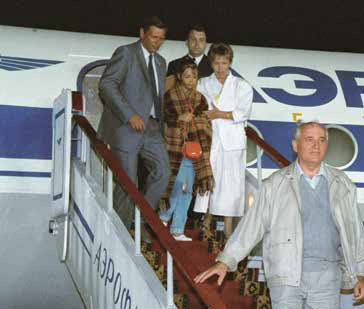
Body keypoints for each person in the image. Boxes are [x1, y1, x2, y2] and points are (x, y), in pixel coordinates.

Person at [194, 122, 364, 309]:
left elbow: (354, 231)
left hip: (327, 276)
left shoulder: (342, 184)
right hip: (286, 274)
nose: (315, 145)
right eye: (309, 139)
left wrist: (360, 272)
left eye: (321, 140)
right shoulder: (275, 184)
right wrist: (226, 260)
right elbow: (252, 224)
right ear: (295, 145)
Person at [98, 16, 170, 230]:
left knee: (163, 173)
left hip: (153, 128)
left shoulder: (161, 62)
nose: (157, 43)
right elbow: (107, 84)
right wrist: (129, 115)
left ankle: (140, 221)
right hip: (127, 128)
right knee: (128, 184)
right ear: (142, 33)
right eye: (154, 37)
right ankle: (118, 232)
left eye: (161, 39)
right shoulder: (126, 53)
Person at [195, 43, 253, 239]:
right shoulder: (203, 83)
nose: (220, 67)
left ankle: (227, 227)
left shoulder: (241, 85)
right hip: (210, 137)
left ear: (230, 63)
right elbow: (198, 107)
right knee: (208, 178)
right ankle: (206, 221)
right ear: (211, 63)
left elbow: (242, 113)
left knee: (231, 184)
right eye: (216, 63)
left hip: (232, 140)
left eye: (224, 63)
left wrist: (219, 113)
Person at [160, 61, 214, 240]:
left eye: (194, 77)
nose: (191, 80)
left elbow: (205, 122)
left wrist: (194, 121)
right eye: (187, 76)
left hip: (194, 150)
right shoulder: (170, 96)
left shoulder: (200, 99)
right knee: (176, 185)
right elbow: (164, 119)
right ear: (179, 77)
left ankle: (177, 228)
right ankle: (164, 217)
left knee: (188, 189)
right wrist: (180, 120)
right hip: (175, 148)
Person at [165, 24, 213, 92]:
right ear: (187, 42)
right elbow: (168, 92)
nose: (197, 44)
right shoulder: (174, 65)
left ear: (206, 44)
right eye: (193, 39)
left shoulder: (214, 66)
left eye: (201, 40)